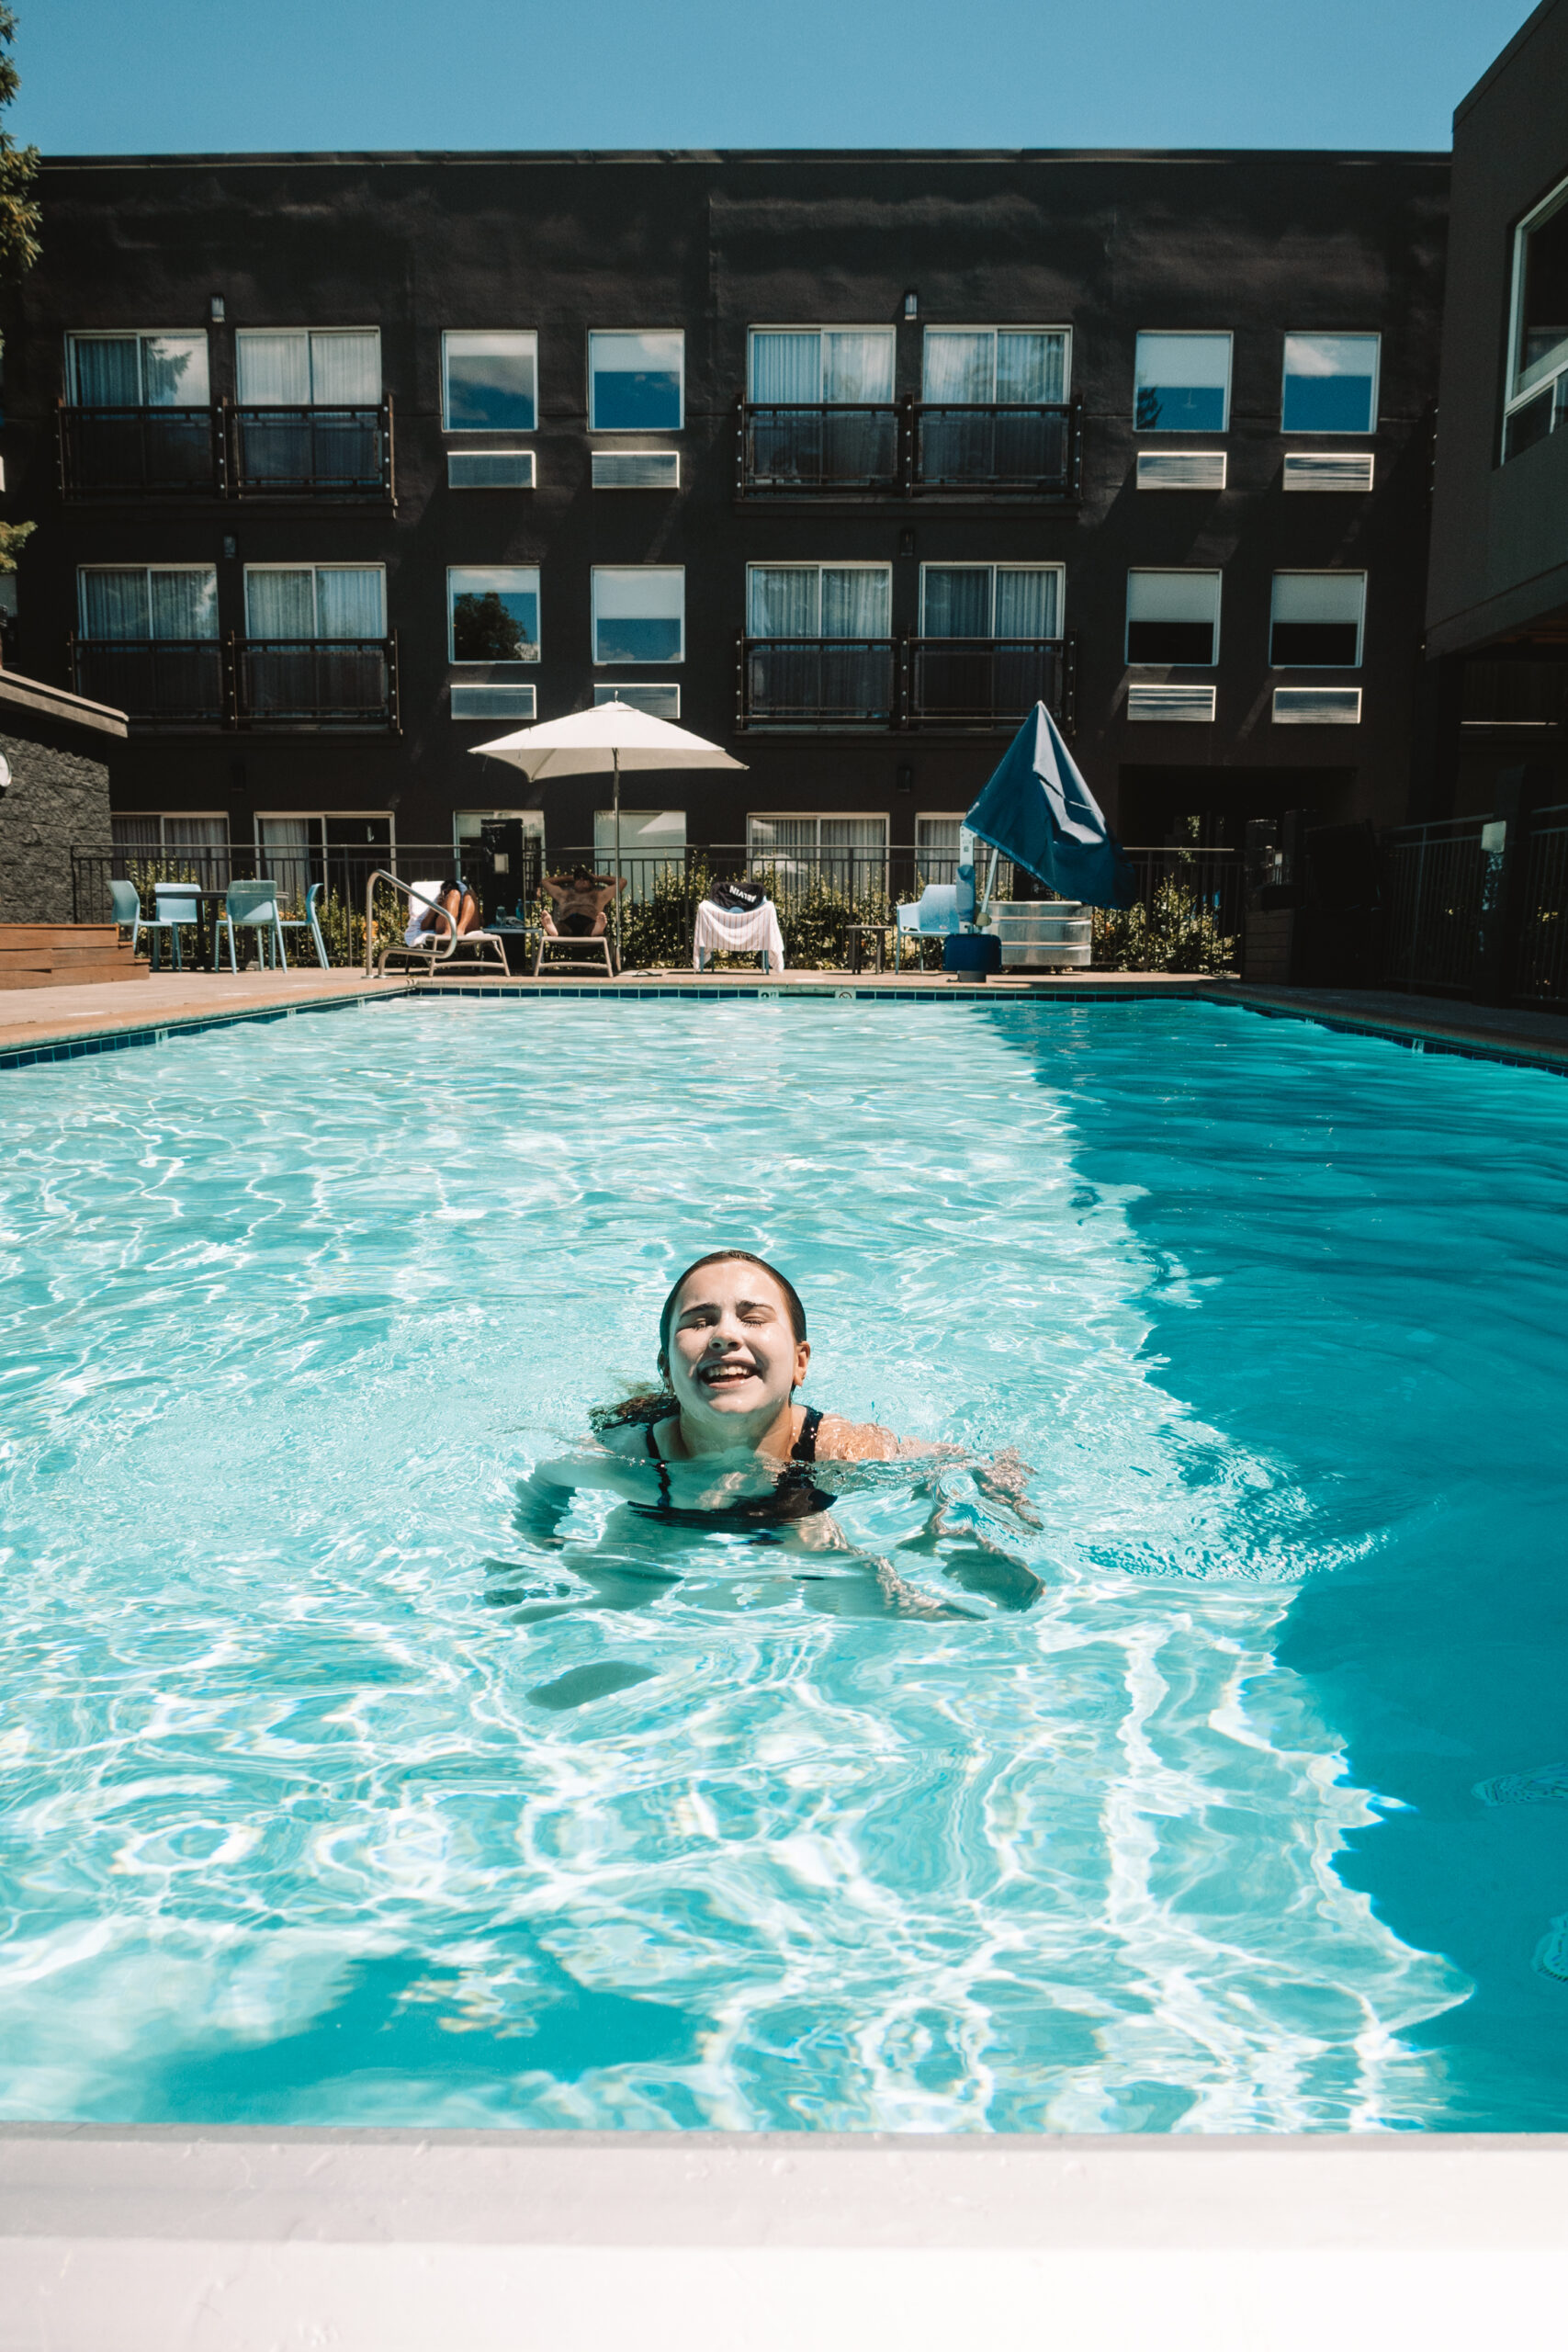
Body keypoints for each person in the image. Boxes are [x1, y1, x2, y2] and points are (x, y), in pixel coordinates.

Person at [542, 865, 626, 941]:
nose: (581, 879)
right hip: (567, 923)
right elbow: (545, 882)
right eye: (578, 877)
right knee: (560, 928)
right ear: (574, 881)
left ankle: (598, 929)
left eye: (585, 878)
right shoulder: (564, 895)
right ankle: (554, 931)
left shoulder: (599, 895)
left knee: (592, 928)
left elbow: (622, 882)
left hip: (589, 923)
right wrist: (570, 878)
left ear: (591, 882)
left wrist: (598, 878)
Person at [410, 878, 480, 944]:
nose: (448, 891)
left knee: (470, 893)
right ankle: (449, 930)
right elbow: (423, 927)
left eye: (452, 888)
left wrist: (466, 908)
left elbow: (481, 922)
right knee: (454, 893)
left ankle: (460, 930)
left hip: (466, 929)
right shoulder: (438, 905)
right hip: (445, 928)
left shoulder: (466, 904)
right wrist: (435, 907)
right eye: (445, 890)